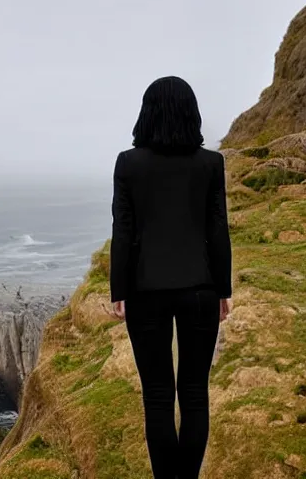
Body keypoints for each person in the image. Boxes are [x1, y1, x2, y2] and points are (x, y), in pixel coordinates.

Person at [109, 76, 232, 479]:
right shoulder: (211, 164)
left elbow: (123, 231)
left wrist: (119, 291)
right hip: (201, 289)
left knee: (158, 398)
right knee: (195, 394)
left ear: (148, 111)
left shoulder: (128, 164)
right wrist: (223, 290)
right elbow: (218, 229)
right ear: (191, 112)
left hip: (145, 292)